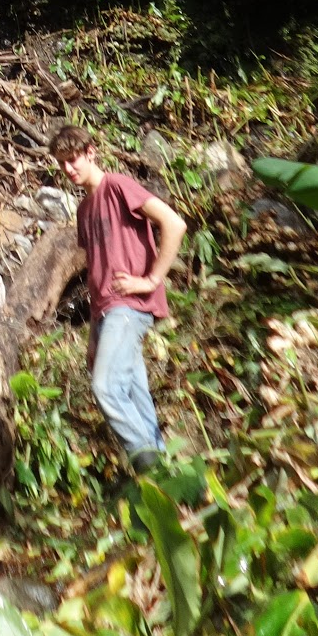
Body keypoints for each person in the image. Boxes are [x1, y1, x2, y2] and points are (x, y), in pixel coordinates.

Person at [50, 123, 187, 474]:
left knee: (106, 387)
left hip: (129, 307)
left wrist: (150, 280)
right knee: (135, 397)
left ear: (91, 153)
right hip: (107, 312)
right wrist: (93, 336)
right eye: (62, 163)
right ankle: (168, 480)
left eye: (73, 159)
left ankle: (150, 469)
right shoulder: (84, 210)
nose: (69, 168)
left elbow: (174, 224)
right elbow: (98, 271)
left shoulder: (118, 186)